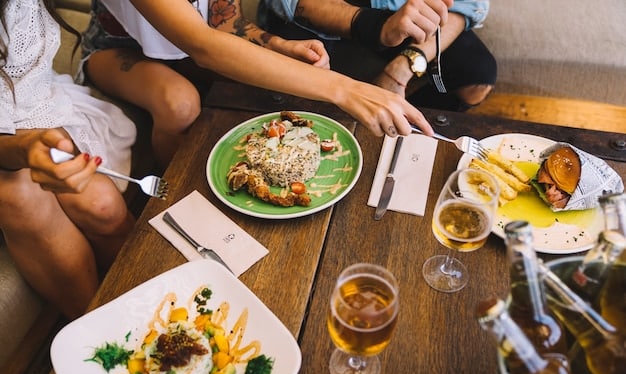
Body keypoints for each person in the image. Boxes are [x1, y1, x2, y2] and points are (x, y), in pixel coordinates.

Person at [80, 0, 437, 168]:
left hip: (189, 49)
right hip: (118, 50)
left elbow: (227, 23)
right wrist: (346, 89)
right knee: (179, 101)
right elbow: (203, 46)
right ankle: (170, 196)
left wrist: (280, 46)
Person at [0, 0, 136, 319]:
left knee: (101, 203)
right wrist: (21, 149)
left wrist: (34, 141)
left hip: (26, 111)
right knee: (18, 195)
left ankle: (155, 301)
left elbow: (27, 87)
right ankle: (99, 331)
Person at [259, 0, 497, 112]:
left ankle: (399, 127)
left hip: (401, 12)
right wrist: (379, 28)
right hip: (313, 18)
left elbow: (468, 4)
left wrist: (404, 66)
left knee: (478, 75)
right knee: (295, 99)